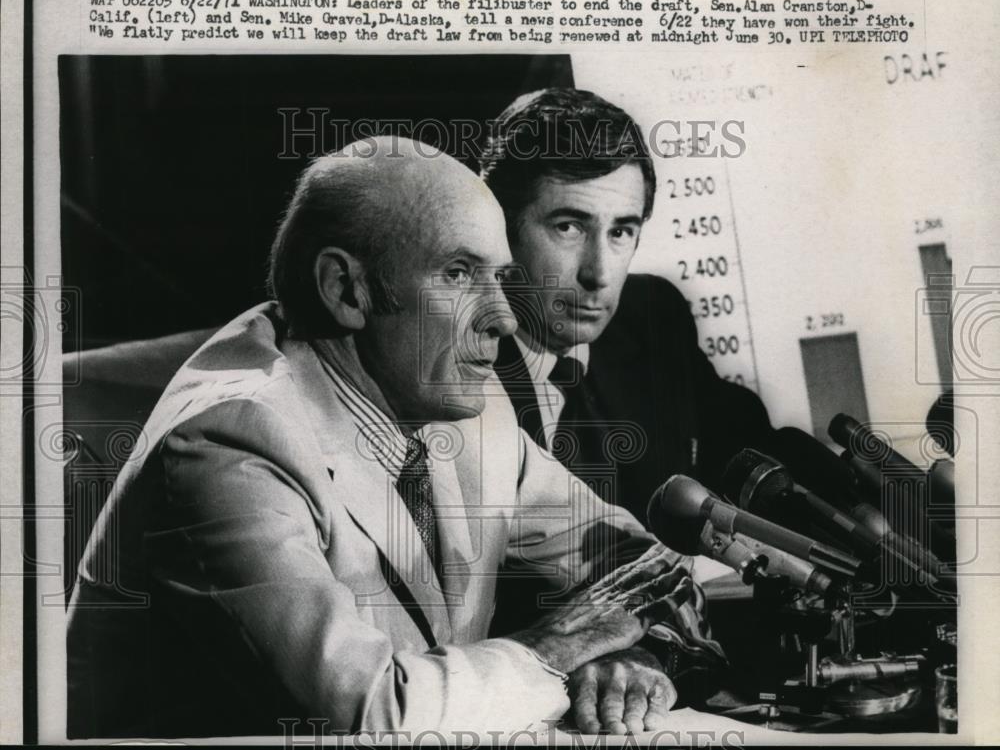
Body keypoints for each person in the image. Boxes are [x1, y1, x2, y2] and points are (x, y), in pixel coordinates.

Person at [67, 137, 722, 739]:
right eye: (460, 274)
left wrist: (633, 655)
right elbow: (370, 715)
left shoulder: (463, 403)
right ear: (346, 288)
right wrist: (555, 649)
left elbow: (648, 569)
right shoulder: (227, 444)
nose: (502, 316)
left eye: (500, 276)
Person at [480, 87, 774, 524]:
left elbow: (749, 446)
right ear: (499, 228)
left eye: (621, 232)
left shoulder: (651, 315)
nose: (598, 274)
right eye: (569, 227)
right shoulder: (455, 363)